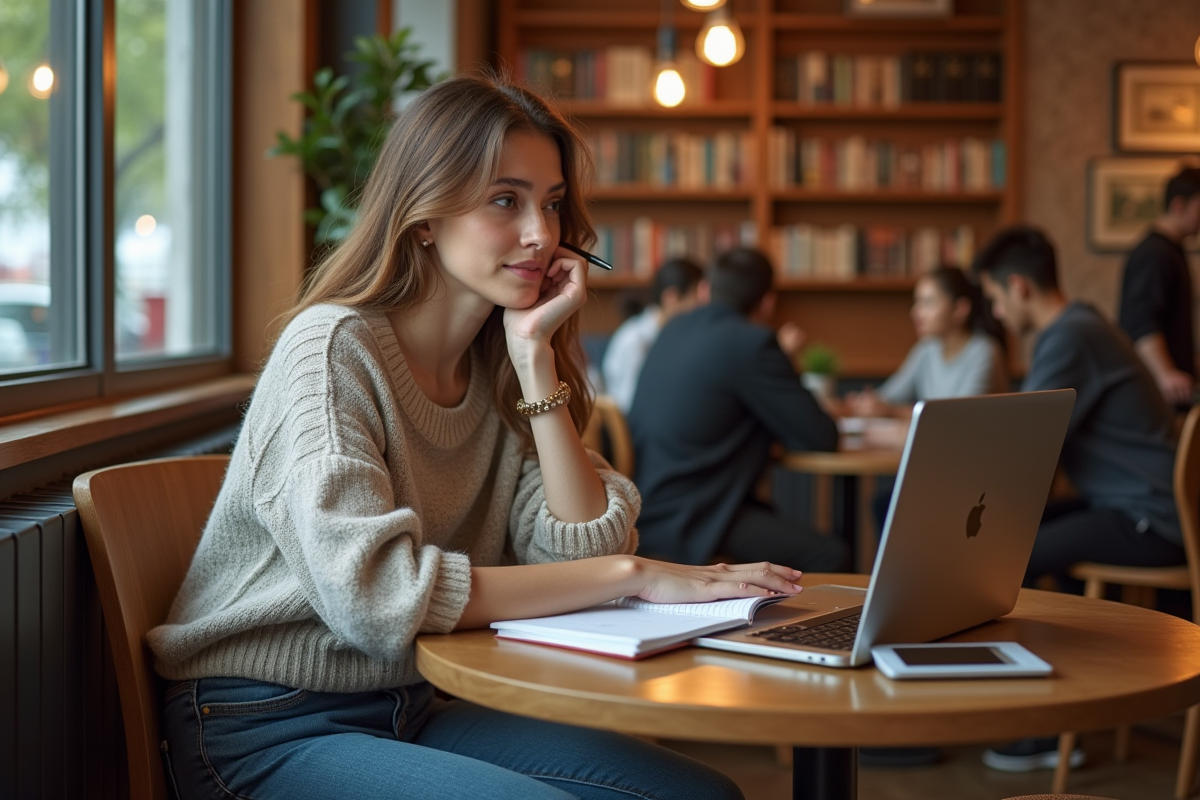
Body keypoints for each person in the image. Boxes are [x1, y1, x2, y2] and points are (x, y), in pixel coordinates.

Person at [146, 75, 805, 800]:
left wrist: (534, 362)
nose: (542, 234)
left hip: (414, 703)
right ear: (424, 215)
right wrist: (637, 577)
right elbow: (378, 599)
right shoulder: (333, 349)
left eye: (552, 204)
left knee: (700, 796)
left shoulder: (499, 364)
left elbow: (580, 548)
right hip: (263, 719)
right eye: (505, 200)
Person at [974, 225, 1184, 774]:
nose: (996, 314)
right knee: (1030, 546)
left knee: (998, 561)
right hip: (1140, 506)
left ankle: (1044, 724)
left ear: (1018, 287)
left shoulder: (1068, 336)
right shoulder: (1084, 324)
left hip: (1150, 517)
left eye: (994, 299)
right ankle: (1063, 710)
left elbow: (1025, 443)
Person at [627, 246, 849, 571]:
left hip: (647, 509)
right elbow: (820, 436)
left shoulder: (672, 329)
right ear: (767, 302)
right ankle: (832, 624)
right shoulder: (753, 343)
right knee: (832, 555)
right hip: (696, 518)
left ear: (706, 289)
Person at [844, 265, 1008, 419]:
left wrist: (891, 411)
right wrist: (866, 403)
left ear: (960, 309)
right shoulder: (926, 350)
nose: (916, 313)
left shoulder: (984, 351)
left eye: (928, 303)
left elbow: (959, 417)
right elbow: (889, 396)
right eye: (917, 302)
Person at [1118, 166, 1200, 407]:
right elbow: (1140, 320)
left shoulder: (1172, 250)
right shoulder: (1155, 253)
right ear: (1178, 205)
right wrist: (1166, 374)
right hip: (1157, 396)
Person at [601, 257, 704, 413]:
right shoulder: (635, 341)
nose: (702, 308)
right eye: (696, 299)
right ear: (672, 298)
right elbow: (628, 405)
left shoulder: (672, 336)